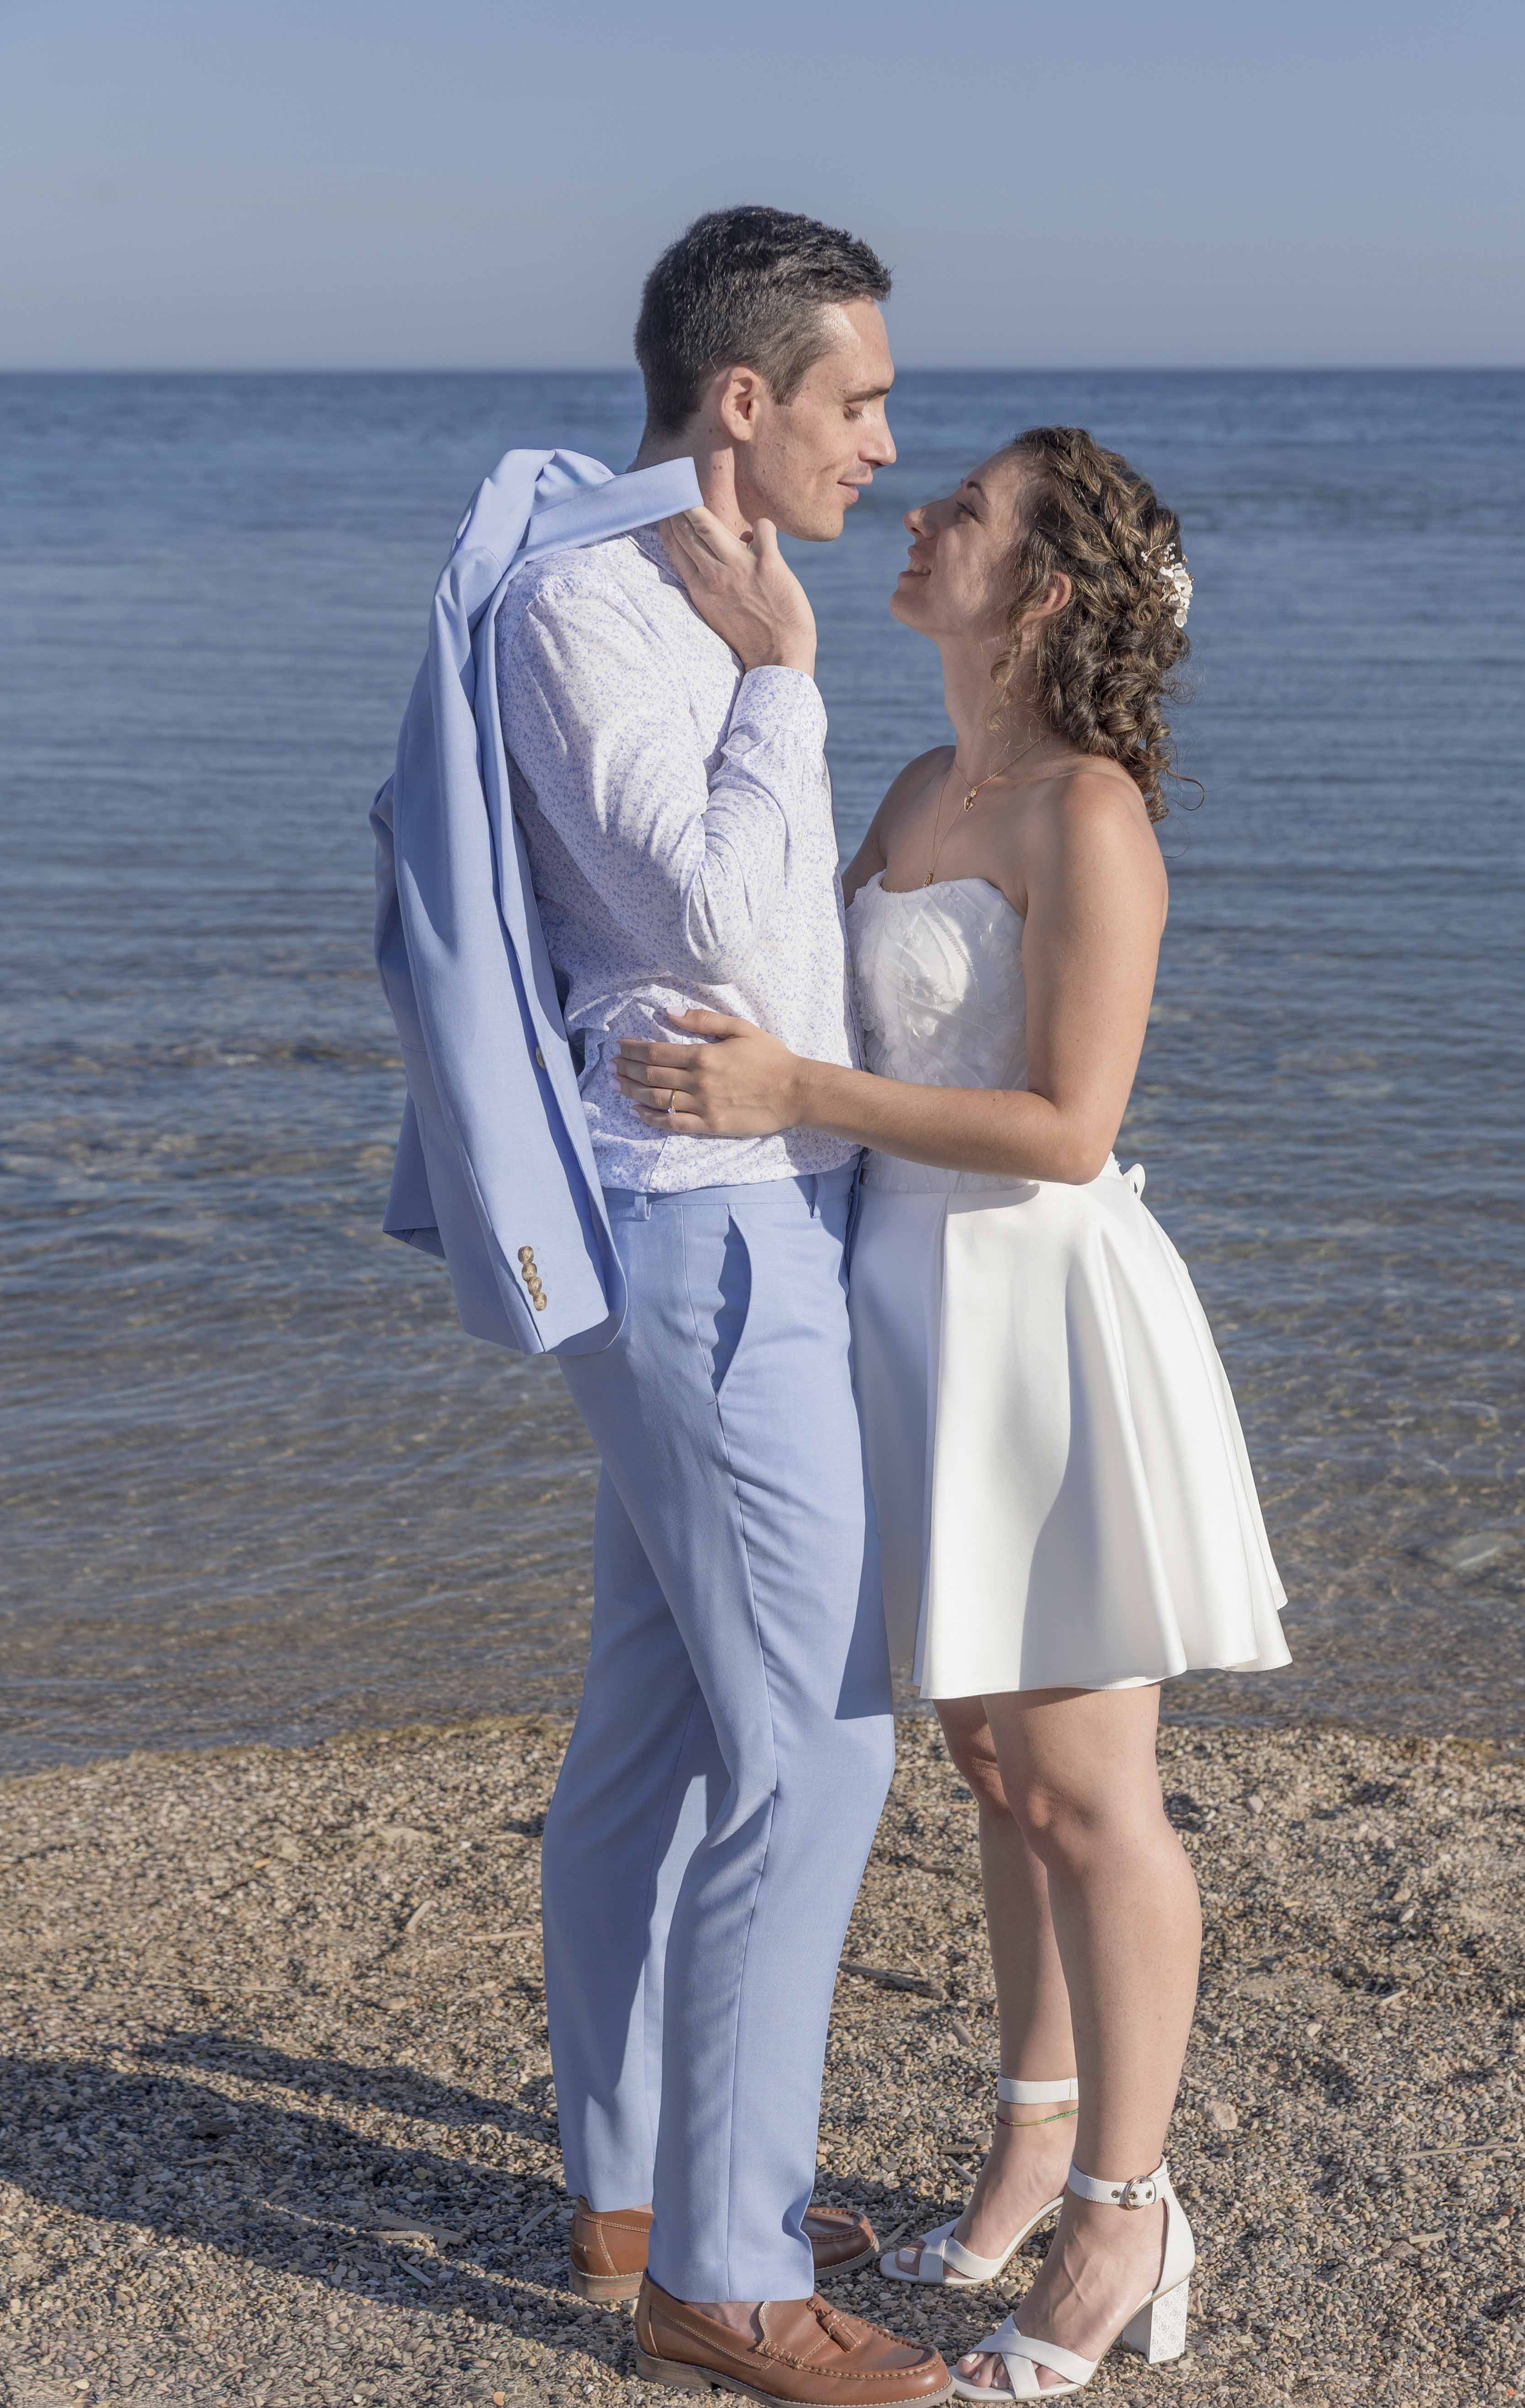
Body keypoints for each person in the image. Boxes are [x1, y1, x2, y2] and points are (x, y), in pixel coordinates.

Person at [615, 425, 1292, 2398]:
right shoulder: (924, 781)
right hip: (899, 1316)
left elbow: (1071, 1129)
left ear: (1044, 593)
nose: (919, 518)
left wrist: (792, 1102)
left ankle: (1128, 2216)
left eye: (964, 511)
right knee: (994, 1767)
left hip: (1036, 1329)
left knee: (1095, 1796)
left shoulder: (1088, 813)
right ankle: (1022, 2147)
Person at [495, 208, 951, 2405]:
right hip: (702, 1222)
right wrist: (785, 679)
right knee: (823, 1745)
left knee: (667, 1716)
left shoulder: (685, 591)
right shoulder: (606, 604)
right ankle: (729, 2272)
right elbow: (749, 957)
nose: (889, 442)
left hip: (733, 1214)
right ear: (744, 400)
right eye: (860, 399)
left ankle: (635, 2189)